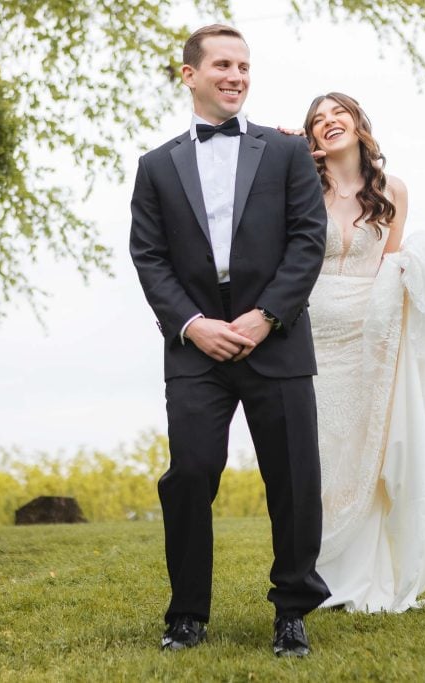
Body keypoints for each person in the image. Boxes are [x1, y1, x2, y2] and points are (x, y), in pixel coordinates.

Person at [129, 25, 331, 656]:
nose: (236, 76)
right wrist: (193, 325)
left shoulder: (287, 152)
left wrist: (265, 315)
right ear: (189, 75)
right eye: (222, 64)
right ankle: (186, 613)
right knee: (189, 473)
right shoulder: (155, 167)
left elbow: (307, 240)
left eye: (244, 66)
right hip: (196, 344)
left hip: (276, 334)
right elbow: (149, 256)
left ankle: (292, 609)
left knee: (294, 477)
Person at [301, 92, 425, 613]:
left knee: (370, 449)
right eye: (318, 120)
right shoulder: (303, 188)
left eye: (337, 114)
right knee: (324, 454)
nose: (329, 124)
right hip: (314, 340)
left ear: (358, 123)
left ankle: (369, 576)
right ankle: (321, 574)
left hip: (371, 336)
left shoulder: (392, 191)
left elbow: (390, 266)